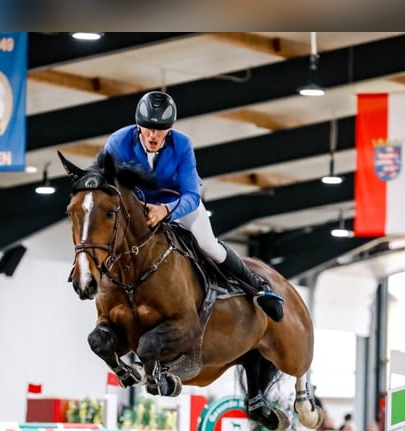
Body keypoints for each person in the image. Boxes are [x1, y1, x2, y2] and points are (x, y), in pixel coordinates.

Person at [102, 90, 284, 322]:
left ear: (170, 129)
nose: (152, 136)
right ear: (138, 126)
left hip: (177, 204)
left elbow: (192, 195)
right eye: (147, 129)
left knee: (208, 245)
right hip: (137, 209)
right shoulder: (118, 141)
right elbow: (106, 183)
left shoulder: (182, 144)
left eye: (160, 130)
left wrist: (165, 210)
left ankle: (257, 287)